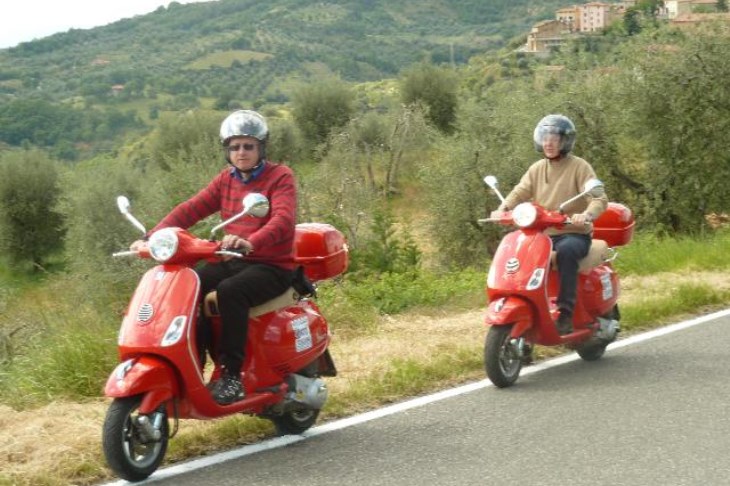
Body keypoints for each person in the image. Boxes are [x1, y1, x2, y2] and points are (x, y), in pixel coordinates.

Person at [132, 109, 297, 404]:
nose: (242, 152)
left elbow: (283, 220)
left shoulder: (280, 176)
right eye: (235, 147)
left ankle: (232, 376)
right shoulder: (226, 180)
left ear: (261, 148)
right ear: (227, 150)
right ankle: (195, 365)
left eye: (248, 146)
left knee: (229, 292)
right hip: (231, 259)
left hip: (271, 265)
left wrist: (250, 241)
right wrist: (151, 237)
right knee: (189, 285)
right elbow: (190, 209)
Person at [495, 114, 608, 335]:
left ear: (565, 141)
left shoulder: (579, 167)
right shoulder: (537, 168)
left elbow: (598, 198)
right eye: (545, 137)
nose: (549, 143)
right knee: (519, 256)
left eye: (554, 138)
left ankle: (566, 313)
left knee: (566, 253)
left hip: (574, 234)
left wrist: (586, 215)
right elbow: (521, 191)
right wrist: (504, 207)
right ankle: (530, 313)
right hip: (542, 234)